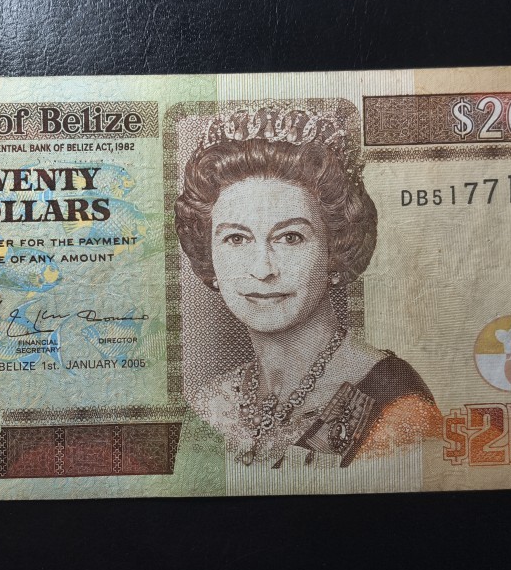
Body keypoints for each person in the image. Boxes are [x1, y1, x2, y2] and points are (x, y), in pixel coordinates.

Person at [175, 104, 441, 469]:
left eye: (290, 237)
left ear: (336, 249)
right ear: (209, 255)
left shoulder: (393, 400)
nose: (262, 269)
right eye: (236, 239)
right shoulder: (210, 403)